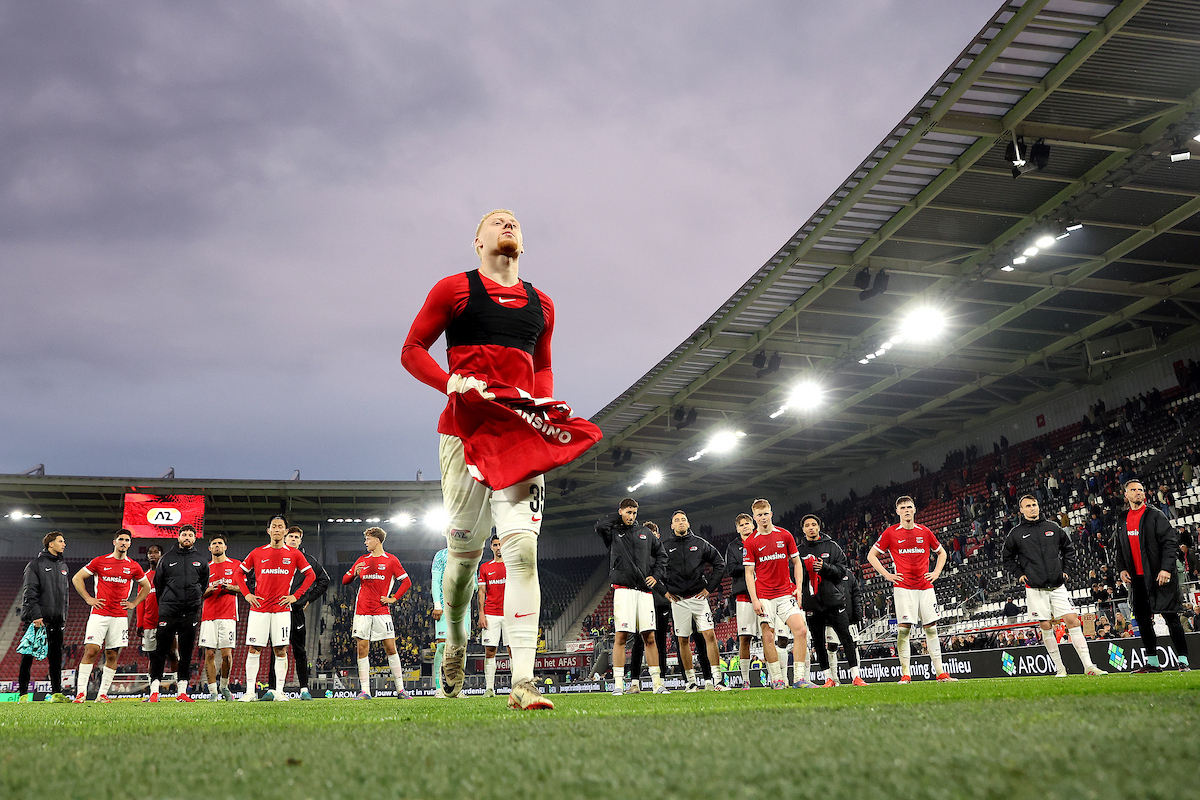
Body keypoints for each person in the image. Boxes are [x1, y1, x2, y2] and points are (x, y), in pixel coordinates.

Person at [404, 209, 594, 711]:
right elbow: (412, 349)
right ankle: (456, 641)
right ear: (477, 241)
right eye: (496, 220)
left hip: (518, 438)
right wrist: (448, 382)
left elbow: (544, 366)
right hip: (463, 434)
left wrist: (542, 410)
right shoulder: (454, 290)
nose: (507, 223)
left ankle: (524, 683)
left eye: (514, 221)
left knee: (522, 553)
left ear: (523, 245)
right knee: (463, 563)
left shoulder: (543, 304)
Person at [1001, 495, 1106, 676]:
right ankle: (1060, 668)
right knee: (1046, 625)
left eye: (1035, 504)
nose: (1033, 508)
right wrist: (1019, 574)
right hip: (1035, 588)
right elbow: (1007, 558)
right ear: (1021, 511)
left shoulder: (1053, 527)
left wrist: (1066, 570)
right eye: (1028, 506)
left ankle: (1088, 666)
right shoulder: (1016, 533)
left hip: (1057, 585)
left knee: (1073, 620)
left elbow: (1069, 549)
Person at [867, 496, 954, 683]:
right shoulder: (890, 533)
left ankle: (940, 673)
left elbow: (942, 552)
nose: (906, 510)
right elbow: (871, 555)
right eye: (903, 507)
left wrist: (937, 572)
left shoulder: (925, 531)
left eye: (909, 507)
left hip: (925, 586)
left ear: (914, 509)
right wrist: (887, 575)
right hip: (903, 587)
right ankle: (906, 673)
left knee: (931, 629)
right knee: (904, 630)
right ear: (897, 511)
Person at [1114, 480, 1190, 672]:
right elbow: (1120, 548)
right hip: (1136, 579)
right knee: (1142, 619)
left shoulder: (1155, 515)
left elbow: (1170, 543)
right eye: (1133, 490)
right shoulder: (1122, 518)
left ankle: (1183, 661)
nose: (1138, 492)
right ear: (1126, 495)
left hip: (1159, 576)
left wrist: (1166, 569)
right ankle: (1153, 664)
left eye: (1140, 489)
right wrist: (1122, 568)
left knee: (1171, 616)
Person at [239, 515, 316, 701]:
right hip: (259, 609)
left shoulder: (294, 554)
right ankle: (250, 692)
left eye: (280, 527)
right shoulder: (257, 553)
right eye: (273, 526)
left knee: (281, 650)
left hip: (282, 610)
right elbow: (239, 572)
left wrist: (295, 596)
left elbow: (311, 575)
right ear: (268, 530)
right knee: (254, 649)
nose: (277, 529)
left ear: (285, 531)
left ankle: (279, 691)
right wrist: (247, 594)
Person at [596, 498, 668, 695]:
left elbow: (662, 555)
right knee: (621, 636)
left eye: (634, 513)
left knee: (650, 637)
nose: (632, 516)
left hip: (644, 591)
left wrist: (656, 575)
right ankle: (618, 685)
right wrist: (618, 518)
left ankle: (657, 684)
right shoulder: (613, 532)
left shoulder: (645, 533)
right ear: (621, 511)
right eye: (628, 512)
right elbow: (600, 525)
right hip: (623, 590)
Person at [71, 529, 152, 702]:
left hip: (120, 617)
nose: (123, 542)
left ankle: (102, 694)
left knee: (112, 655)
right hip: (99, 614)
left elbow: (146, 586)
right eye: (120, 539)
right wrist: (88, 598)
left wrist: (134, 603)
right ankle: (80, 693)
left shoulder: (134, 566)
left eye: (127, 540)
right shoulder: (100, 561)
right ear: (114, 542)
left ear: (130, 544)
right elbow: (77, 578)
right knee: (91, 651)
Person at [743, 498, 813, 689]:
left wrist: (798, 587)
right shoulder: (751, 542)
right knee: (768, 637)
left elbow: (797, 562)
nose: (763, 517)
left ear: (771, 514)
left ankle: (799, 679)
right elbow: (749, 574)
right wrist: (755, 599)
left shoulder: (785, 535)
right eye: (759, 515)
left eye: (766, 513)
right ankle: (777, 679)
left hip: (785, 594)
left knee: (801, 631)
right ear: (755, 517)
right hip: (764, 596)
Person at [796, 514, 867, 687]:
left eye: (814, 524)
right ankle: (828, 677)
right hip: (812, 603)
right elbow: (793, 574)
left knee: (846, 637)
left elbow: (843, 570)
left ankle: (856, 676)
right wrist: (805, 571)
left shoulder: (832, 546)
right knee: (819, 642)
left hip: (833, 600)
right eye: (807, 525)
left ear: (819, 527)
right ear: (803, 529)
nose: (811, 527)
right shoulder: (799, 551)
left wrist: (825, 568)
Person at [342, 527, 413, 699]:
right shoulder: (362, 560)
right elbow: (345, 580)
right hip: (362, 611)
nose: (365, 542)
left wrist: (393, 598)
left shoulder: (391, 560)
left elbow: (406, 582)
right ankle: (365, 691)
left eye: (368, 539)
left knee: (390, 647)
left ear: (377, 540)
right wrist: (354, 574)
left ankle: (401, 690)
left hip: (382, 611)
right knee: (362, 649)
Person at [661, 510, 728, 691]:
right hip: (678, 600)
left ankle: (717, 680)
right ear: (672, 526)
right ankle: (690, 682)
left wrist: (709, 588)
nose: (681, 522)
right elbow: (653, 571)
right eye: (677, 520)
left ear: (688, 524)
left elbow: (720, 564)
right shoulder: (665, 546)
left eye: (684, 519)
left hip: (699, 598)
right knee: (682, 640)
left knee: (710, 636)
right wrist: (664, 592)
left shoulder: (700, 543)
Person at [267, 526, 330, 700]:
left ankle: (304, 689)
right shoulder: (273, 557)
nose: (293, 539)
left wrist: (307, 599)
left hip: (295, 612)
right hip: (277, 610)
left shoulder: (308, 560)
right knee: (276, 649)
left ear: (300, 541)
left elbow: (324, 581)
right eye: (291, 536)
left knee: (300, 651)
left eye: (297, 537)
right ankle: (272, 689)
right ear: (285, 538)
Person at [150, 525, 209, 702]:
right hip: (168, 611)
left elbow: (203, 585)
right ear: (178, 537)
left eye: (190, 535)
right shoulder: (166, 559)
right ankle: (154, 691)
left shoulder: (201, 560)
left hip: (190, 612)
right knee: (160, 651)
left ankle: (182, 692)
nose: (187, 537)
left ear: (195, 538)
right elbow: (158, 584)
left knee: (186, 652)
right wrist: (167, 603)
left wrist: (194, 599)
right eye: (184, 534)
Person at [19, 532, 70, 702]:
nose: (64, 544)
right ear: (50, 544)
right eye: (60, 541)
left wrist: (63, 617)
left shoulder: (63, 566)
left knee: (56, 658)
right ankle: (23, 694)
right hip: (38, 621)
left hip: (56, 620)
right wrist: (36, 616)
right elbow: (29, 592)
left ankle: (56, 693)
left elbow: (65, 596)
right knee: (27, 657)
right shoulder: (35, 564)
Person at [201, 533, 245, 701]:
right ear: (210, 548)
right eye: (214, 543)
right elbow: (198, 594)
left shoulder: (236, 565)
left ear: (225, 547)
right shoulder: (204, 567)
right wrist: (208, 591)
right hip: (208, 616)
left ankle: (224, 687)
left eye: (220, 543)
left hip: (228, 615)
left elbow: (243, 589)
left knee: (226, 655)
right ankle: (213, 692)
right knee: (210, 654)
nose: (217, 546)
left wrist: (230, 587)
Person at [725, 514, 757, 689]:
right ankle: (745, 679)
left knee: (768, 636)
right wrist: (750, 564)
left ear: (752, 525)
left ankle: (776, 677)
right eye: (741, 525)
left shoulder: (761, 540)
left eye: (747, 523)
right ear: (737, 528)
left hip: (764, 593)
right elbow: (730, 569)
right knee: (745, 638)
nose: (745, 527)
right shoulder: (733, 547)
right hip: (743, 595)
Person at [478, 536, 508, 698]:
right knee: (490, 651)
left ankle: (518, 686)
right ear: (491, 547)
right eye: (495, 545)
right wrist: (481, 613)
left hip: (510, 614)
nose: (498, 547)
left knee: (513, 651)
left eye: (500, 544)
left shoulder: (511, 565)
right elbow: (481, 592)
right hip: (491, 614)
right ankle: (489, 688)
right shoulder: (484, 567)